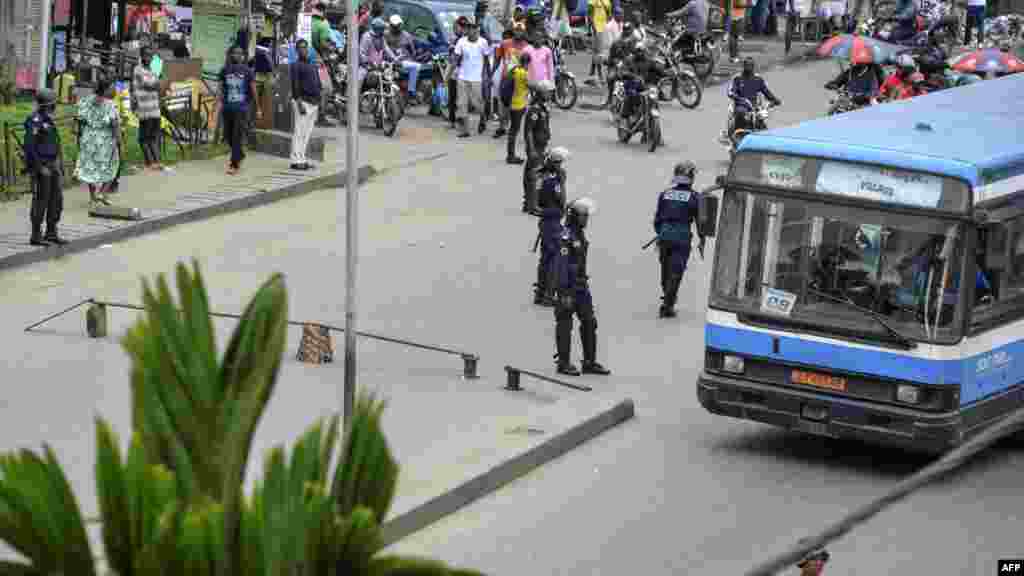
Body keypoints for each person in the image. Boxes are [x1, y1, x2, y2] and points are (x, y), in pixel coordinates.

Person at [550, 197, 611, 376]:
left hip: (581, 286)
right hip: (568, 287)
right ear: (574, 216)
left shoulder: (579, 234)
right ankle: (563, 363)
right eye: (583, 216)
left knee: (590, 322)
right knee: (564, 323)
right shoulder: (566, 236)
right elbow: (560, 265)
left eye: (587, 216)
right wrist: (564, 292)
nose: (586, 219)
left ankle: (589, 362)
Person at [653, 161, 706, 318]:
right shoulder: (695, 197)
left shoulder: (665, 194)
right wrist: (702, 240)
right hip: (682, 236)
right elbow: (700, 222)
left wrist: (661, 233)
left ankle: (668, 298)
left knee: (665, 269)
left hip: (664, 235)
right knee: (676, 271)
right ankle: (668, 304)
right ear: (690, 177)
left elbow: (657, 219)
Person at [24, 89, 66, 246]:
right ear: (49, 104)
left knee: (56, 200)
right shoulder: (34, 120)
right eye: (54, 103)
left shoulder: (48, 119)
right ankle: (36, 235)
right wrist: (38, 167)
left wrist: (59, 164)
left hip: (52, 165)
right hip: (42, 167)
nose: (55, 105)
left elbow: (55, 143)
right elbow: (29, 146)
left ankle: (51, 232)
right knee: (41, 200)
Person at [74, 77, 120, 206]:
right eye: (112, 87)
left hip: (88, 137)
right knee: (112, 165)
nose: (114, 89)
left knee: (90, 166)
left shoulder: (86, 101)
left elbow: (79, 119)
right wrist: (118, 139)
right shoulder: (110, 104)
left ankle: (93, 196)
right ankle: (102, 193)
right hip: (105, 138)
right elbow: (114, 124)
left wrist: (80, 137)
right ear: (106, 89)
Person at [534, 147, 570, 306]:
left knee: (545, 259)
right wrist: (562, 183)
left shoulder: (545, 175)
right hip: (551, 222)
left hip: (548, 221)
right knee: (555, 259)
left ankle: (540, 293)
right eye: (559, 163)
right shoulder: (549, 179)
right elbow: (558, 202)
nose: (561, 166)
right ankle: (548, 296)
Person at [219, 45, 258, 175]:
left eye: (240, 53)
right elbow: (220, 88)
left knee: (237, 136)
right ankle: (239, 154)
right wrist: (218, 103)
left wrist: (257, 107)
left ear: (243, 56)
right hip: (227, 108)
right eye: (235, 53)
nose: (237, 55)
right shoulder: (225, 70)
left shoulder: (248, 71)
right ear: (231, 55)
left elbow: (253, 89)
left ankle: (234, 164)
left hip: (241, 109)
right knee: (228, 136)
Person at [453, 21, 490, 137]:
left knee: (477, 104)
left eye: (473, 28)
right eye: (468, 28)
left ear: (477, 29)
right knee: (462, 104)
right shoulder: (461, 41)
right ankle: (465, 130)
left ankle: (483, 118)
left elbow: (486, 61)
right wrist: (452, 71)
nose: (471, 30)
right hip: (463, 77)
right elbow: (456, 57)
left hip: (477, 78)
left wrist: (487, 76)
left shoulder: (483, 42)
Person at [522, 79, 554, 213]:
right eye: (549, 92)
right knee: (534, 176)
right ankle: (532, 206)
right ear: (542, 93)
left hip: (541, 146)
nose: (551, 95)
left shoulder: (543, 108)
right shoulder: (534, 110)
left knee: (532, 175)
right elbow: (528, 131)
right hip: (535, 147)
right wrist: (532, 149)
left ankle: (528, 203)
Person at [290, 39, 322, 171]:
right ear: (297, 50)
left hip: (314, 102)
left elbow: (318, 84)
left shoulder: (313, 65)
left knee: (307, 133)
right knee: (299, 132)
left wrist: (319, 102)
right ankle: (295, 160)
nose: (304, 50)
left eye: (305, 47)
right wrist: (299, 103)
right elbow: (295, 85)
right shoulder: (295, 65)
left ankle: (302, 158)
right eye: (301, 48)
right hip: (302, 102)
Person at [132, 46, 163, 171]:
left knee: (153, 137)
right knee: (144, 138)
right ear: (142, 56)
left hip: (154, 108)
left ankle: (156, 161)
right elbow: (149, 85)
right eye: (146, 55)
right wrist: (157, 83)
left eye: (151, 55)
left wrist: (157, 82)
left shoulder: (153, 69)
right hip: (144, 109)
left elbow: (159, 85)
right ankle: (149, 162)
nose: (148, 58)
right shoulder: (138, 69)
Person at [386, 15, 423, 102]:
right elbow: (383, 50)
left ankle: (411, 92)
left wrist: (412, 58)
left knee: (416, 66)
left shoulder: (406, 35)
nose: (396, 27)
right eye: (394, 25)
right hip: (391, 62)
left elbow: (413, 51)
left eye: (398, 25)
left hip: (405, 62)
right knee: (415, 67)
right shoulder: (386, 35)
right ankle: (411, 92)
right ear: (391, 25)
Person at [504, 50, 531, 162]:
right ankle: (511, 156)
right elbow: (531, 85)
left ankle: (510, 155)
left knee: (512, 130)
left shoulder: (513, 70)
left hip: (511, 103)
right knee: (514, 131)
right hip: (519, 104)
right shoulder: (524, 73)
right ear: (527, 63)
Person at [448, 16, 471, 128]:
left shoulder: (462, 40)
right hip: (459, 71)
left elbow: (454, 58)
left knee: (457, 97)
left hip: (460, 71)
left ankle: (457, 119)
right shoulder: (457, 39)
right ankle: (455, 120)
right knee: (456, 96)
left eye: (457, 27)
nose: (456, 29)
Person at [588, 0, 613, 82]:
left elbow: (609, 16)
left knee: (598, 51)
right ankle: (600, 74)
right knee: (599, 53)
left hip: (605, 29)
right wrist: (593, 27)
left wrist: (609, 28)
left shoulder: (607, 2)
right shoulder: (592, 1)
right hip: (597, 28)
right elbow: (590, 14)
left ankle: (593, 67)